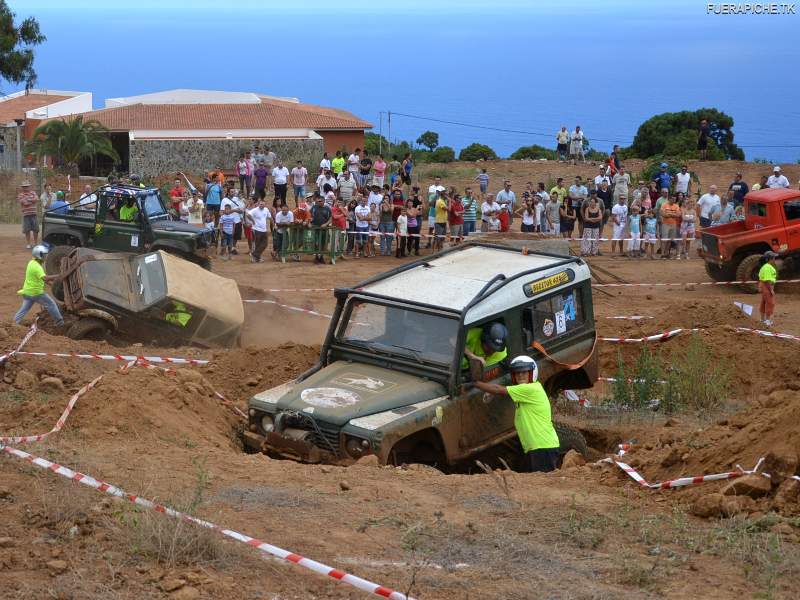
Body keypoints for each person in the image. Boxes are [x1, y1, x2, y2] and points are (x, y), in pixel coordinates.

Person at [472, 356, 560, 473]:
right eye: (517, 373)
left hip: (542, 447)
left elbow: (498, 389)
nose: (520, 375)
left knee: (539, 487)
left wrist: (475, 383)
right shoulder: (524, 391)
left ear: (532, 373)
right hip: (535, 447)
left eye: (524, 372)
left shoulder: (531, 389)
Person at [14, 245, 64, 327]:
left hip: (27, 292)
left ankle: (14, 323)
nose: (46, 256)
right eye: (44, 255)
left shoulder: (31, 262)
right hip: (36, 293)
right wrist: (60, 275)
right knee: (51, 304)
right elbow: (45, 278)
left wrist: (53, 285)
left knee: (24, 309)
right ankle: (60, 323)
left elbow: (41, 278)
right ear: (39, 255)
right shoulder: (37, 267)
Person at [246, 199, 272, 263]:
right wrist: (253, 221)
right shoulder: (255, 210)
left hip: (264, 230)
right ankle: (257, 258)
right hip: (256, 229)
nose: (261, 205)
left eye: (263, 204)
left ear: (265, 205)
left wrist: (274, 225)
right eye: (260, 204)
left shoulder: (266, 210)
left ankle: (255, 255)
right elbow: (248, 215)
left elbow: (270, 217)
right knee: (257, 244)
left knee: (265, 244)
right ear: (258, 204)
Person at [758, 251, 779, 327]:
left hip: (764, 286)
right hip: (766, 286)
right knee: (770, 303)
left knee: (764, 302)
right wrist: (771, 289)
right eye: (773, 258)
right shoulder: (767, 267)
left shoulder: (766, 266)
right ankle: (767, 321)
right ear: (770, 259)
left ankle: (763, 320)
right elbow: (767, 280)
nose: (774, 259)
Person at [310, 194, 332, 264]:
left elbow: (331, 218)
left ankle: (321, 257)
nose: (319, 202)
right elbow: (309, 215)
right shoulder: (314, 207)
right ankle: (316, 257)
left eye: (320, 201)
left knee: (323, 243)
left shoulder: (327, 208)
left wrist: (325, 224)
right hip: (315, 228)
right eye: (318, 201)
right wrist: (309, 222)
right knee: (316, 242)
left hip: (324, 229)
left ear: (324, 201)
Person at [659, 195, 682, 259]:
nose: (674, 200)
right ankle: (662, 254)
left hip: (673, 224)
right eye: (673, 199)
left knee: (669, 240)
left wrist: (669, 214)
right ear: (669, 199)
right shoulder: (664, 205)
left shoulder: (676, 206)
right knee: (664, 240)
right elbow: (663, 214)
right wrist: (673, 214)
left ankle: (666, 253)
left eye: (675, 199)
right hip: (665, 224)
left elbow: (678, 215)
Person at [18, 181, 39, 249]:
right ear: (22, 187)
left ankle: (36, 243)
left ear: (29, 187)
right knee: (27, 230)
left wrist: (28, 199)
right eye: (24, 187)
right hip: (26, 215)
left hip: (34, 214)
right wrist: (32, 200)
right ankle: (28, 243)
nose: (25, 188)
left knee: (35, 229)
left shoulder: (33, 192)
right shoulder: (20, 195)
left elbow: (36, 199)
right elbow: (24, 203)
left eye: (27, 186)